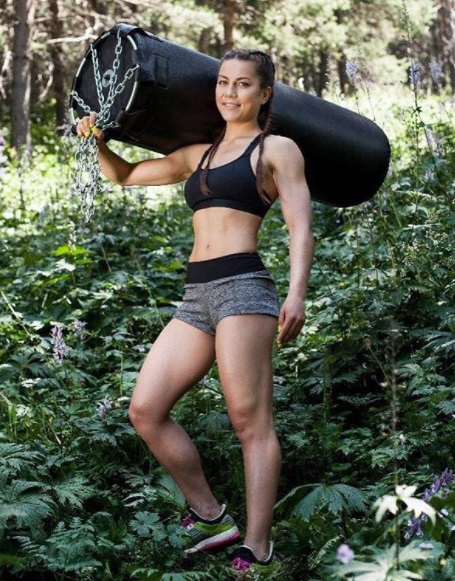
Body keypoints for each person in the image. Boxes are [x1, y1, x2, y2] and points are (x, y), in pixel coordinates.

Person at [77, 49, 313, 576]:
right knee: (145, 409)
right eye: (223, 82)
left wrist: (296, 293)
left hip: (243, 290)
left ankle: (258, 548)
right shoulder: (197, 155)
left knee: (250, 422)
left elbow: (300, 226)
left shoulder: (276, 150)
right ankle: (210, 516)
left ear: (264, 93)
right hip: (196, 295)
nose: (230, 93)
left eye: (243, 84)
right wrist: (98, 141)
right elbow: (125, 176)